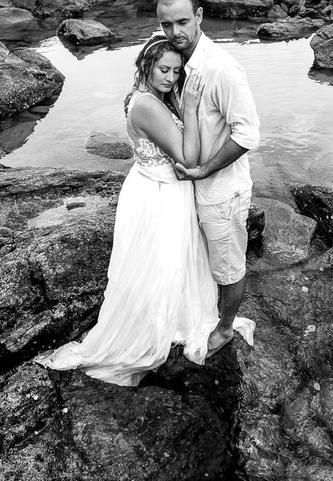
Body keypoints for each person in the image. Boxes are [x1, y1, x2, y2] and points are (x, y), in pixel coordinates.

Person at [35, 35, 253, 386]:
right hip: (160, 196)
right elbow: (189, 157)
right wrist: (194, 108)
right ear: (146, 66)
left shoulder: (151, 96)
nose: (170, 77)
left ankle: (172, 317)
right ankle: (151, 327)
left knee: (166, 264)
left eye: (177, 71)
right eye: (163, 69)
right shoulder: (148, 106)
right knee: (159, 265)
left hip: (160, 188)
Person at [156, 0, 260, 355]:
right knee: (199, 260)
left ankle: (227, 327)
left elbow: (249, 133)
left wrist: (205, 170)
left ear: (199, 16)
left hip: (220, 190)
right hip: (189, 188)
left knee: (228, 267)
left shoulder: (221, 69)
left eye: (182, 21)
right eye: (166, 25)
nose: (174, 32)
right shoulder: (176, 60)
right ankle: (200, 313)